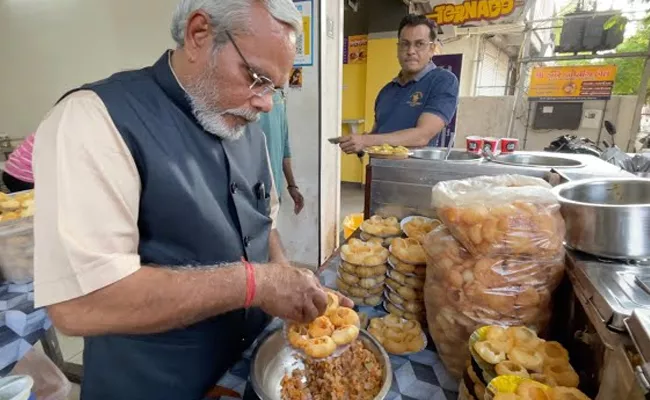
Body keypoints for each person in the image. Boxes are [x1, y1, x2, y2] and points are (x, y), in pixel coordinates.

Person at [32, 1, 351, 399]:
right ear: (199, 34)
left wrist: (287, 282)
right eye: (256, 78)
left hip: (244, 368)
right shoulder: (95, 120)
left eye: (275, 87)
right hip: (153, 386)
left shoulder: (248, 128)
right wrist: (256, 284)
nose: (266, 102)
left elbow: (262, 224)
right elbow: (79, 304)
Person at [339, 14, 459, 154]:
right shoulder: (386, 92)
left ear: (432, 49)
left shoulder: (443, 81)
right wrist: (359, 143)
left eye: (419, 44)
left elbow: (422, 136)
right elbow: (378, 136)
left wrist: (366, 141)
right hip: (379, 171)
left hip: (416, 174)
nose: (410, 51)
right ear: (397, 48)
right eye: (405, 44)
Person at [258, 90, 304, 214]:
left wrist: (292, 186)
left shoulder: (279, 99)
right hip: (255, 194)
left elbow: (284, 147)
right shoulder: (252, 102)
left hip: (272, 192)